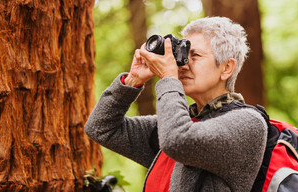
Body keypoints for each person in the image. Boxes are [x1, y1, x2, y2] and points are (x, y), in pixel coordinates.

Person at [84, 17, 268, 192]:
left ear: (227, 67)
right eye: (183, 54)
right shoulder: (182, 122)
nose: (183, 65)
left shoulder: (248, 123)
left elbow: (176, 140)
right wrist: (134, 79)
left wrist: (169, 78)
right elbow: (101, 127)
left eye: (195, 55)